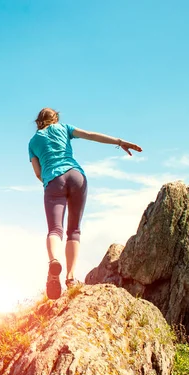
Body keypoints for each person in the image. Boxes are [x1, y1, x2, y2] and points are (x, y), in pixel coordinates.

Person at [28, 108, 142, 299]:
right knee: (74, 230)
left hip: (54, 180)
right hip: (76, 176)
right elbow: (91, 135)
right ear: (55, 118)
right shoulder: (64, 128)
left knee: (55, 230)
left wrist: (50, 181)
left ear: (39, 121)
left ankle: (54, 262)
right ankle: (71, 278)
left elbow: (38, 173)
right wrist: (119, 142)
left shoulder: (33, 142)